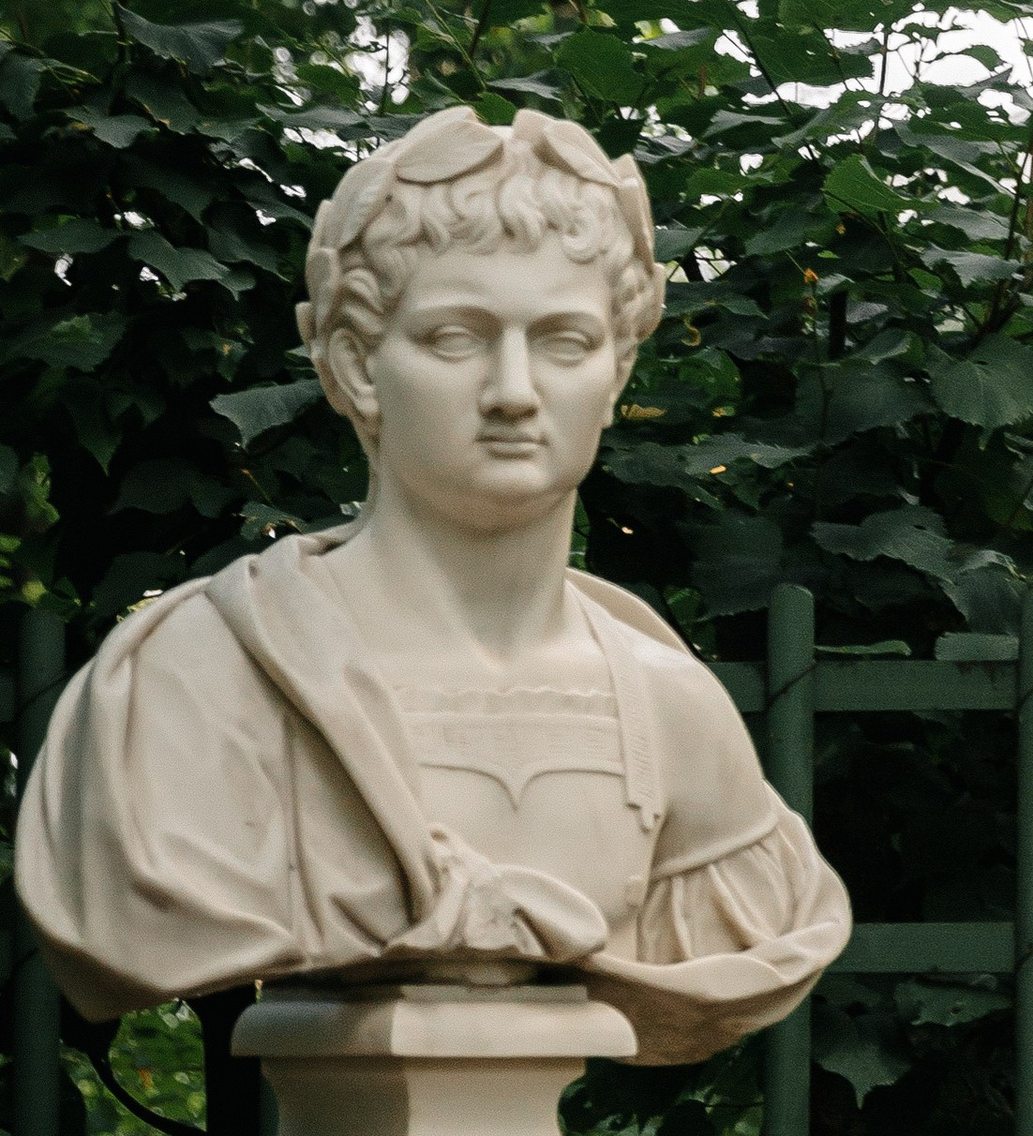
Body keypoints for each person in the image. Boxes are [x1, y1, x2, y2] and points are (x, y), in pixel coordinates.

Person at [18, 103, 847, 1063]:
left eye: (565, 342)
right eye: (456, 337)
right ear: (353, 365)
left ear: (618, 372)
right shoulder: (192, 683)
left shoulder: (673, 715)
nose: (513, 390)